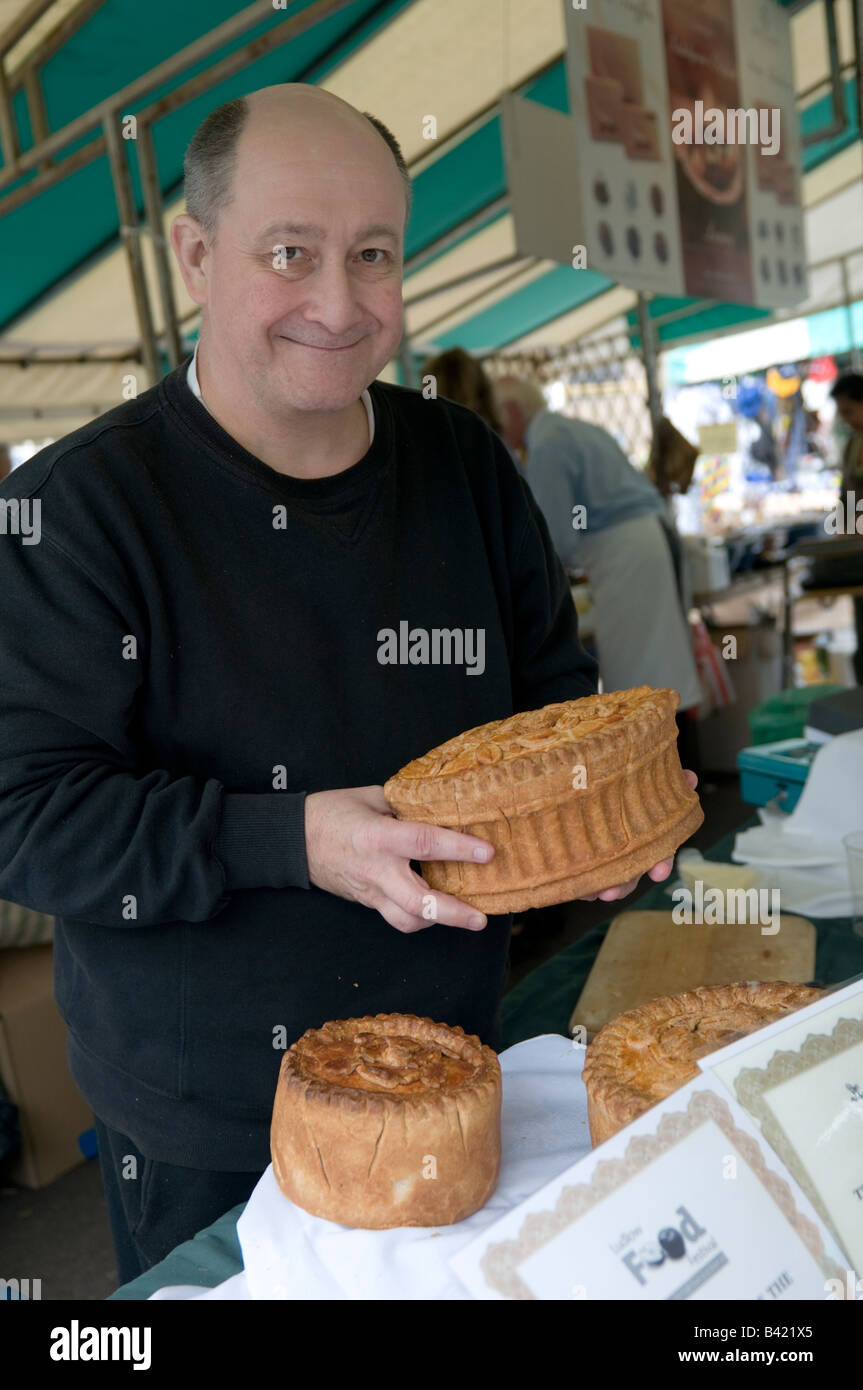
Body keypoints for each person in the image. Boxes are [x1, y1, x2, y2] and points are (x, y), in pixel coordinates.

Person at [0, 85, 689, 1283]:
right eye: (289, 252)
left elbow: (547, 703)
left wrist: (596, 818)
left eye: (372, 254)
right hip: (211, 1122)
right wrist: (292, 838)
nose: (337, 301)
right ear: (195, 254)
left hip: (464, 1056)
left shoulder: (462, 464)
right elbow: (26, 818)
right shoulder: (79, 513)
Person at [495, 376, 702, 728]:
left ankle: (670, 772)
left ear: (513, 411)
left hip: (625, 551)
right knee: (665, 667)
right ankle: (686, 771)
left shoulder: (546, 444)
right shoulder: (573, 428)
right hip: (650, 538)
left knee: (642, 682)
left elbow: (556, 538)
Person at [829, 372, 863, 683]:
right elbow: (847, 494)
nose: (846, 419)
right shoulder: (852, 445)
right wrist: (842, 531)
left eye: (850, 411)